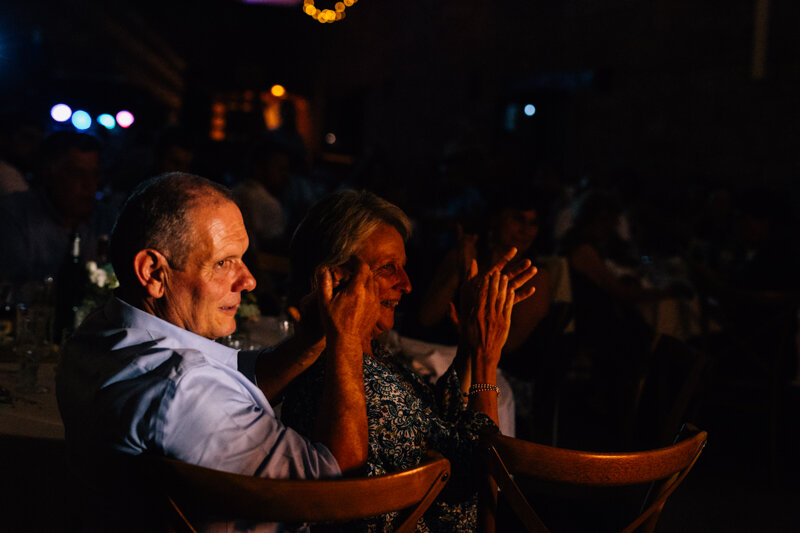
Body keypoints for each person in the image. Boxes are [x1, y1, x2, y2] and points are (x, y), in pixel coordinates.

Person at [56, 173, 373, 532]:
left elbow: (233, 378)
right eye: (223, 262)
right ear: (153, 273)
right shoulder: (185, 390)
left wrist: (311, 340)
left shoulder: (96, 333)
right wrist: (346, 339)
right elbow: (338, 488)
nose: (248, 280)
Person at [280, 189, 536, 532]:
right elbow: (483, 474)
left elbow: (435, 419)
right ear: (335, 279)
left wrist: (468, 349)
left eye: (403, 267)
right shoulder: (353, 379)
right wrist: (486, 358)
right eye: (388, 269)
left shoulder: (361, 357)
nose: (407, 284)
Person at [0, 131, 116, 285]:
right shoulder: (15, 214)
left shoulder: (107, 220)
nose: (90, 185)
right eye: (77, 173)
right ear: (49, 173)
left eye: (95, 174)